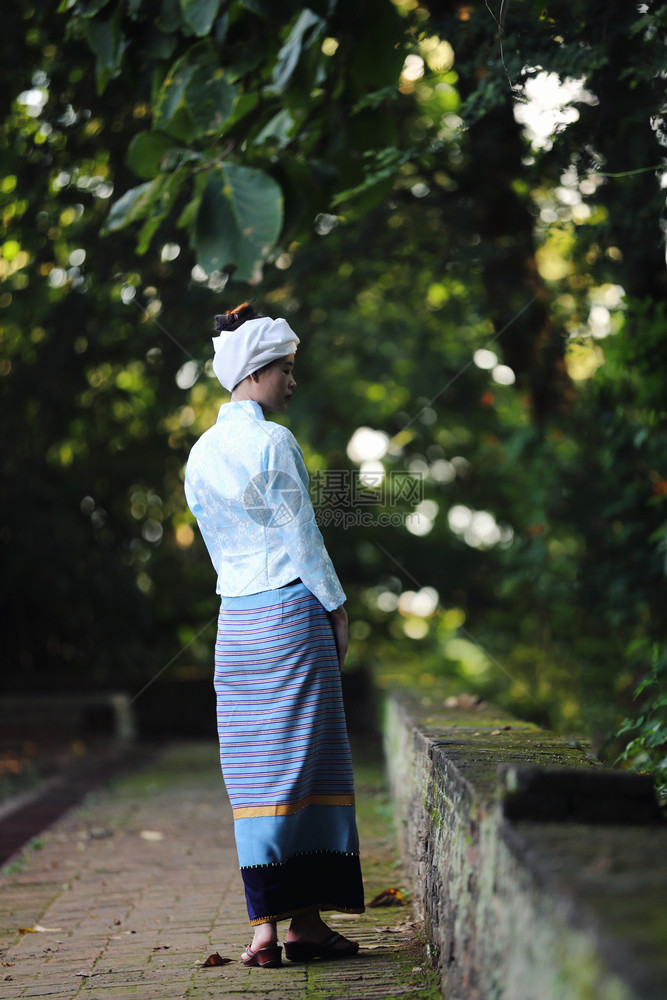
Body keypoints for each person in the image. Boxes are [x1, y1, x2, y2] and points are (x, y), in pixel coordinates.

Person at [184, 303, 364, 968]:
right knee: (307, 765)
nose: (293, 381)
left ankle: (272, 927)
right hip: (290, 613)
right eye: (286, 369)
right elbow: (299, 536)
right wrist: (336, 607)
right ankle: (304, 926)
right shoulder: (274, 442)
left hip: (237, 622)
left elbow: (216, 545)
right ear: (257, 370)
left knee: (257, 772)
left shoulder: (200, 454)